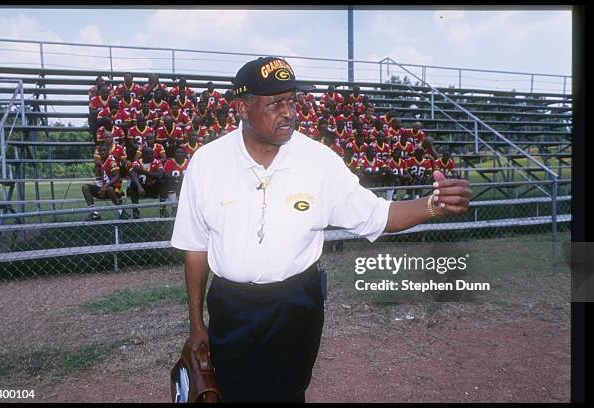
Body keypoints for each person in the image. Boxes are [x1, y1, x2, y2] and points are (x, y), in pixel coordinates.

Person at [170, 56, 471, 403]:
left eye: (292, 101)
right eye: (274, 103)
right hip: (231, 303)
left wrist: (435, 204)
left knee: (288, 393)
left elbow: (378, 215)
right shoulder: (207, 163)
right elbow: (195, 248)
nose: (289, 112)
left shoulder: (319, 161)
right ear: (242, 108)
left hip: (296, 302)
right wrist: (196, 323)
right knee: (232, 392)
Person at [82, 143, 129, 221]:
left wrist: (104, 187)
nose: (102, 152)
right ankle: (94, 213)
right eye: (101, 151)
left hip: (117, 190)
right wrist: (102, 187)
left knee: (110, 189)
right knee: (85, 187)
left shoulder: (111, 161)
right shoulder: (101, 161)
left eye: (104, 150)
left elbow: (117, 176)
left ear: (108, 151)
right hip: (106, 189)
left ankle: (122, 212)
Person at [128, 146, 169, 219]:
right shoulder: (136, 163)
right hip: (141, 189)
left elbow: (160, 175)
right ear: (144, 155)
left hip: (153, 188)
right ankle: (135, 211)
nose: (154, 155)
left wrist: (143, 171)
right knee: (133, 184)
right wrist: (139, 187)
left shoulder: (156, 162)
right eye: (151, 154)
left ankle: (162, 209)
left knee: (163, 182)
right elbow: (132, 175)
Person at [163, 145, 189, 216]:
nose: (179, 154)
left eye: (181, 152)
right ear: (174, 154)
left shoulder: (189, 162)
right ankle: (174, 208)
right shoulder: (170, 162)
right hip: (173, 183)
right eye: (177, 152)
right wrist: (176, 178)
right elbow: (166, 174)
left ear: (184, 154)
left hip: (185, 184)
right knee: (169, 183)